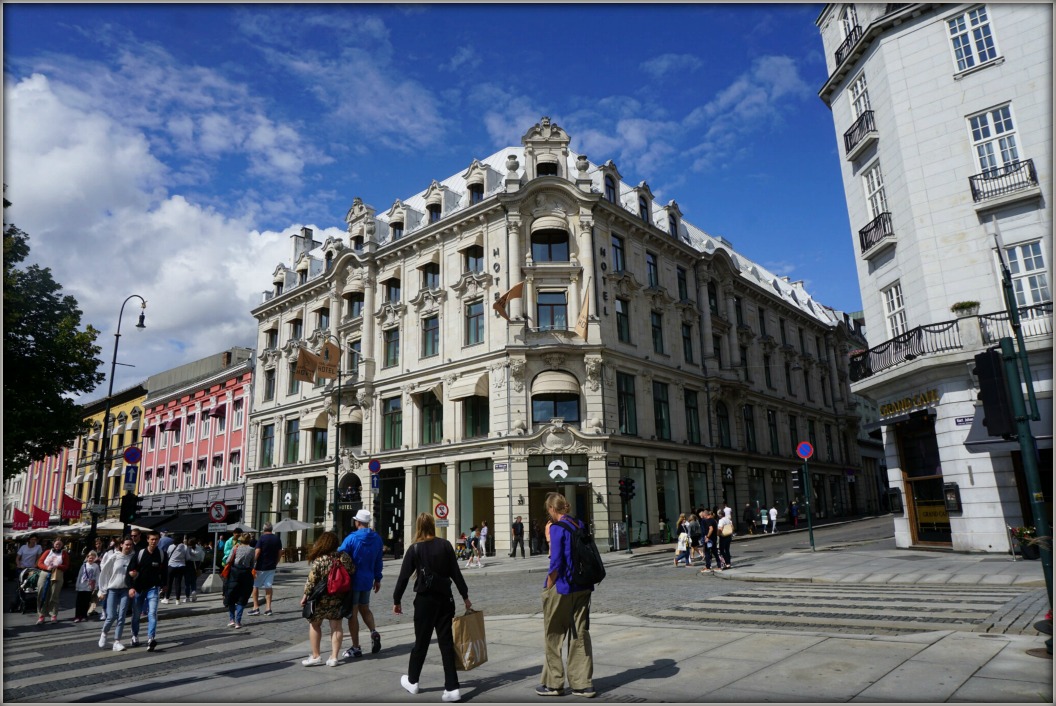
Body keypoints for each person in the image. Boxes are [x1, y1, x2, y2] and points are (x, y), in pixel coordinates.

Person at [394, 513, 471, 703]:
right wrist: (465, 597)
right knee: (446, 643)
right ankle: (452, 688)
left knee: (421, 642)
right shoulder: (445, 545)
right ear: (433, 526)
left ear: (418, 527)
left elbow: (403, 577)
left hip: (424, 602)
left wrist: (397, 600)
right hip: (445, 600)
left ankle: (413, 681)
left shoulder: (415, 549)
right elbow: (456, 573)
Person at [300, 531, 355, 667]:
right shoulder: (344, 557)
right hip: (338, 596)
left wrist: (305, 596)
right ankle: (334, 657)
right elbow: (352, 571)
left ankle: (316, 656)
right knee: (336, 626)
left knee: (315, 624)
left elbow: (311, 581)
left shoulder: (320, 560)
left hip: (320, 598)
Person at [338, 509, 384, 660]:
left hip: (352, 581)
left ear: (357, 522)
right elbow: (378, 561)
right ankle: (373, 632)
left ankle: (356, 647)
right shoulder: (377, 539)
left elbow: (339, 554)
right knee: (365, 608)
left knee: (353, 613)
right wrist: (377, 579)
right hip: (368, 579)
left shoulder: (351, 538)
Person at [127, 529, 166, 651]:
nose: (154, 541)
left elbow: (164, 572)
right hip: (138, 588)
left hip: (153, 588)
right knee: (136, 615)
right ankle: (135, 635)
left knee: (152, 613)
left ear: (159, 540)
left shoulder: (162, 554)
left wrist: (164, 584)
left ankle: (151, 638)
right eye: (152, 539)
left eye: (156, 539)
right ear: (147, 540)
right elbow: (130, 570)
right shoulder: (140, 554)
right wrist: (131, 587)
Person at [97, 538, 134, 650]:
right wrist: (102, 590)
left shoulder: (133, 558)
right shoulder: (114, 557)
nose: (128, 546)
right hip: (113, 589)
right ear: (121, 545)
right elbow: (104, 573)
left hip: (125, 590)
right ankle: (104, 632)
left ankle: (117, 641)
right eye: (126, 544)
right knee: (111, 616)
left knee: (122, 616)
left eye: (130, 545)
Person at [249, 522, 282, 616]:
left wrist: (253, 562)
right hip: (271, 566)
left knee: (255, 586)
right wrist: (276, 562)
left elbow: (258, 552)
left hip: (260, 566)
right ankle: (268, 608)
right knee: (268, 586)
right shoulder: (277, 538)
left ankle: (255, 607)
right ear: (271, 529)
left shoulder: (262, 538)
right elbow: (280, 552)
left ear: (263, 529)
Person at [223, 531, 255, 629]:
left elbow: (228, 560)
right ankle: (238, 621)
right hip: (246, 575)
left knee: (231, 596)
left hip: (234, 574)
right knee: (242, 598)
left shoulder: (236, 547)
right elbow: (252, 563)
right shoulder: (252, 550)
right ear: (249, 540)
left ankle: (231, 619)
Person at [36, 538, 70, 624]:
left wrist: (58, 566)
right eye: (56, 544)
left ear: (62, 545)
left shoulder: (64, 553)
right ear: (53, 544)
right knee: (42, 593)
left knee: (54, 594)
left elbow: (66, 566)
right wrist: (47, 567)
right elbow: (39, 563)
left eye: (59, 544)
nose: (58, 546)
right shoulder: (48, 552)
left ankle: (53, 614)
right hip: (45, 573)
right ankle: (41, 615)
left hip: (57, 574)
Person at [162, 535, 189, 604]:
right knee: (178, 583)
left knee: (169, 583)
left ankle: (167, 598)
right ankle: (178, 600)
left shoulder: (171, 546)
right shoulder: (185, 547)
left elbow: (168, 555)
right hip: (181, 566)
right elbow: (188, 557)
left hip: (171, 565)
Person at [74, 550, 100, 622]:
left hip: (89, 586)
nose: (90, 559)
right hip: (82, 585)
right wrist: (77, 585)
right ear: (87, 558)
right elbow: (79, 575)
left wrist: (96, 585)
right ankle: (77, 616)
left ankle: (84, 616)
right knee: (79, 602)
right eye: (89, 558)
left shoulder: (96, 566)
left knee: (86, 602)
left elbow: (98, 576)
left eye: (92, 558)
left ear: (94, 558)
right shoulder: (84, 565)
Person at [697, 508, 719, 574]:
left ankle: (708, 567)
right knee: (714, 552)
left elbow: (710, 529)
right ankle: (718, 565)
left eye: (703, 514)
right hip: (713, 538)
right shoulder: (713, 520)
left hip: (709, 538)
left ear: (705, 515)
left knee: (707, 552)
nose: (702, 516)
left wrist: (707, 537)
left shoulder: (707, 520)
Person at [184, 536, 205, 602]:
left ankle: (187, 597)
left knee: (187, 582)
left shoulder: (187, 548)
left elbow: (186, 557)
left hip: (188, 565)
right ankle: (194, 591)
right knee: (193, 581)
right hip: (197, 565)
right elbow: (202, 557)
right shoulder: (199, 548)